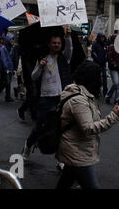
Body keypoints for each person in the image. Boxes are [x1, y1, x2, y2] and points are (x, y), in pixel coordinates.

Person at [56, 62, 119, 189]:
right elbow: (88, 128)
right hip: (77, 151)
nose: (101, 80)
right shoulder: (78, 100)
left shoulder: (83, 94)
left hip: (77, 147)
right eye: (99, 77)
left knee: (65, 182)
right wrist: (113, 116)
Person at [22, 27, 73, 160]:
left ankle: (60, 159)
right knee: (40, 127)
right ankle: (27, 146)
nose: (56, 45)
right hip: (45, 99)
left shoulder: (63, 58)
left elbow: (69, 50)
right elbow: (33, 77)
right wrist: (40, 66)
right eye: (54, 43)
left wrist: (68, 37)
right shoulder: (42, 58)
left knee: (61, 129)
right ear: (49, 44)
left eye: (59, 43)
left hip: (61, 98)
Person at [105, 34, 119, 105]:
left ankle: (117, 99)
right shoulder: (111, 47)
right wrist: (114, 63)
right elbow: (109, 57)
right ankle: (108, 96)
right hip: (113, 68)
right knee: (116, 83)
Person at [0, 37, 14, 102]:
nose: (12, 40)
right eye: (11, 39)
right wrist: (6, 67)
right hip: (6, 68)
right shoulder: (3, 48)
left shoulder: (2, 47)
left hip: (7, 67)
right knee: (7, 82)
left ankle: (4, 95)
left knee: (6, 82)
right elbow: (4, 59)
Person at [90, 33, 108, 97]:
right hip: (96, 63)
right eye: (101, 37)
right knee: (97, 78)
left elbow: (106, 53)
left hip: (103, 64)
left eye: (103, 37)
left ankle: (105, 92)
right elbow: (93, 53)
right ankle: (96, 91)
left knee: (104, 78)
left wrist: (106, 58)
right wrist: (97, 59)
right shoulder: (95, 44)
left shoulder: (104, 45)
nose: (102, 39)